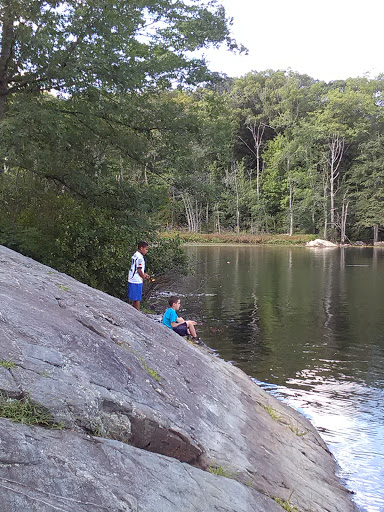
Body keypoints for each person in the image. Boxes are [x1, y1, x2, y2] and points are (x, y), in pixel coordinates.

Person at [128, 241, 150, 310]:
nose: (147, 251)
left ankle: (133, 310)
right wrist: (143, 277)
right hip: (136, 280)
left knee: (134, 298)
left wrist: (144, 274)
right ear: (141, 248)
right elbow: (139, 269)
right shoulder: (140, 257)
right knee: (137, 298)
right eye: (146, 249)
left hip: (131, 278)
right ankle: (137, 311)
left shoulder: (135, 255)